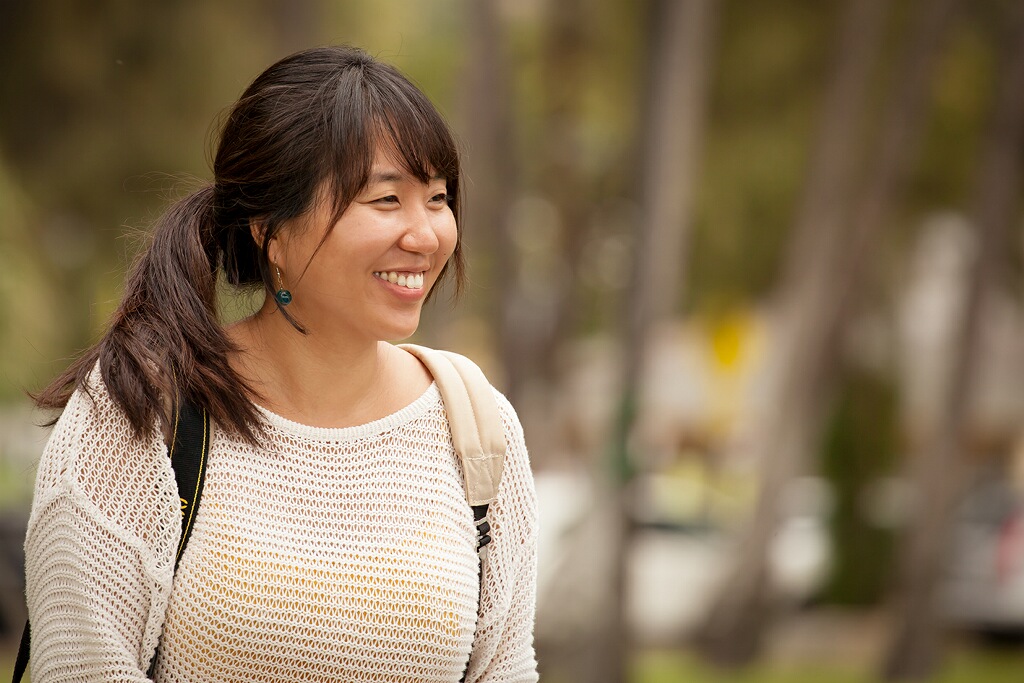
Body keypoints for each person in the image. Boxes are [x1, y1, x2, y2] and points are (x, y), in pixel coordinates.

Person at [23, 45, 538, 682]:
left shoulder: (477, 425)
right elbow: (78, 669)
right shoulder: (143, 409)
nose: (425, 234)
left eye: (437, 198)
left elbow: (504, 670)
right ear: (272, 229)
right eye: (385, 200)